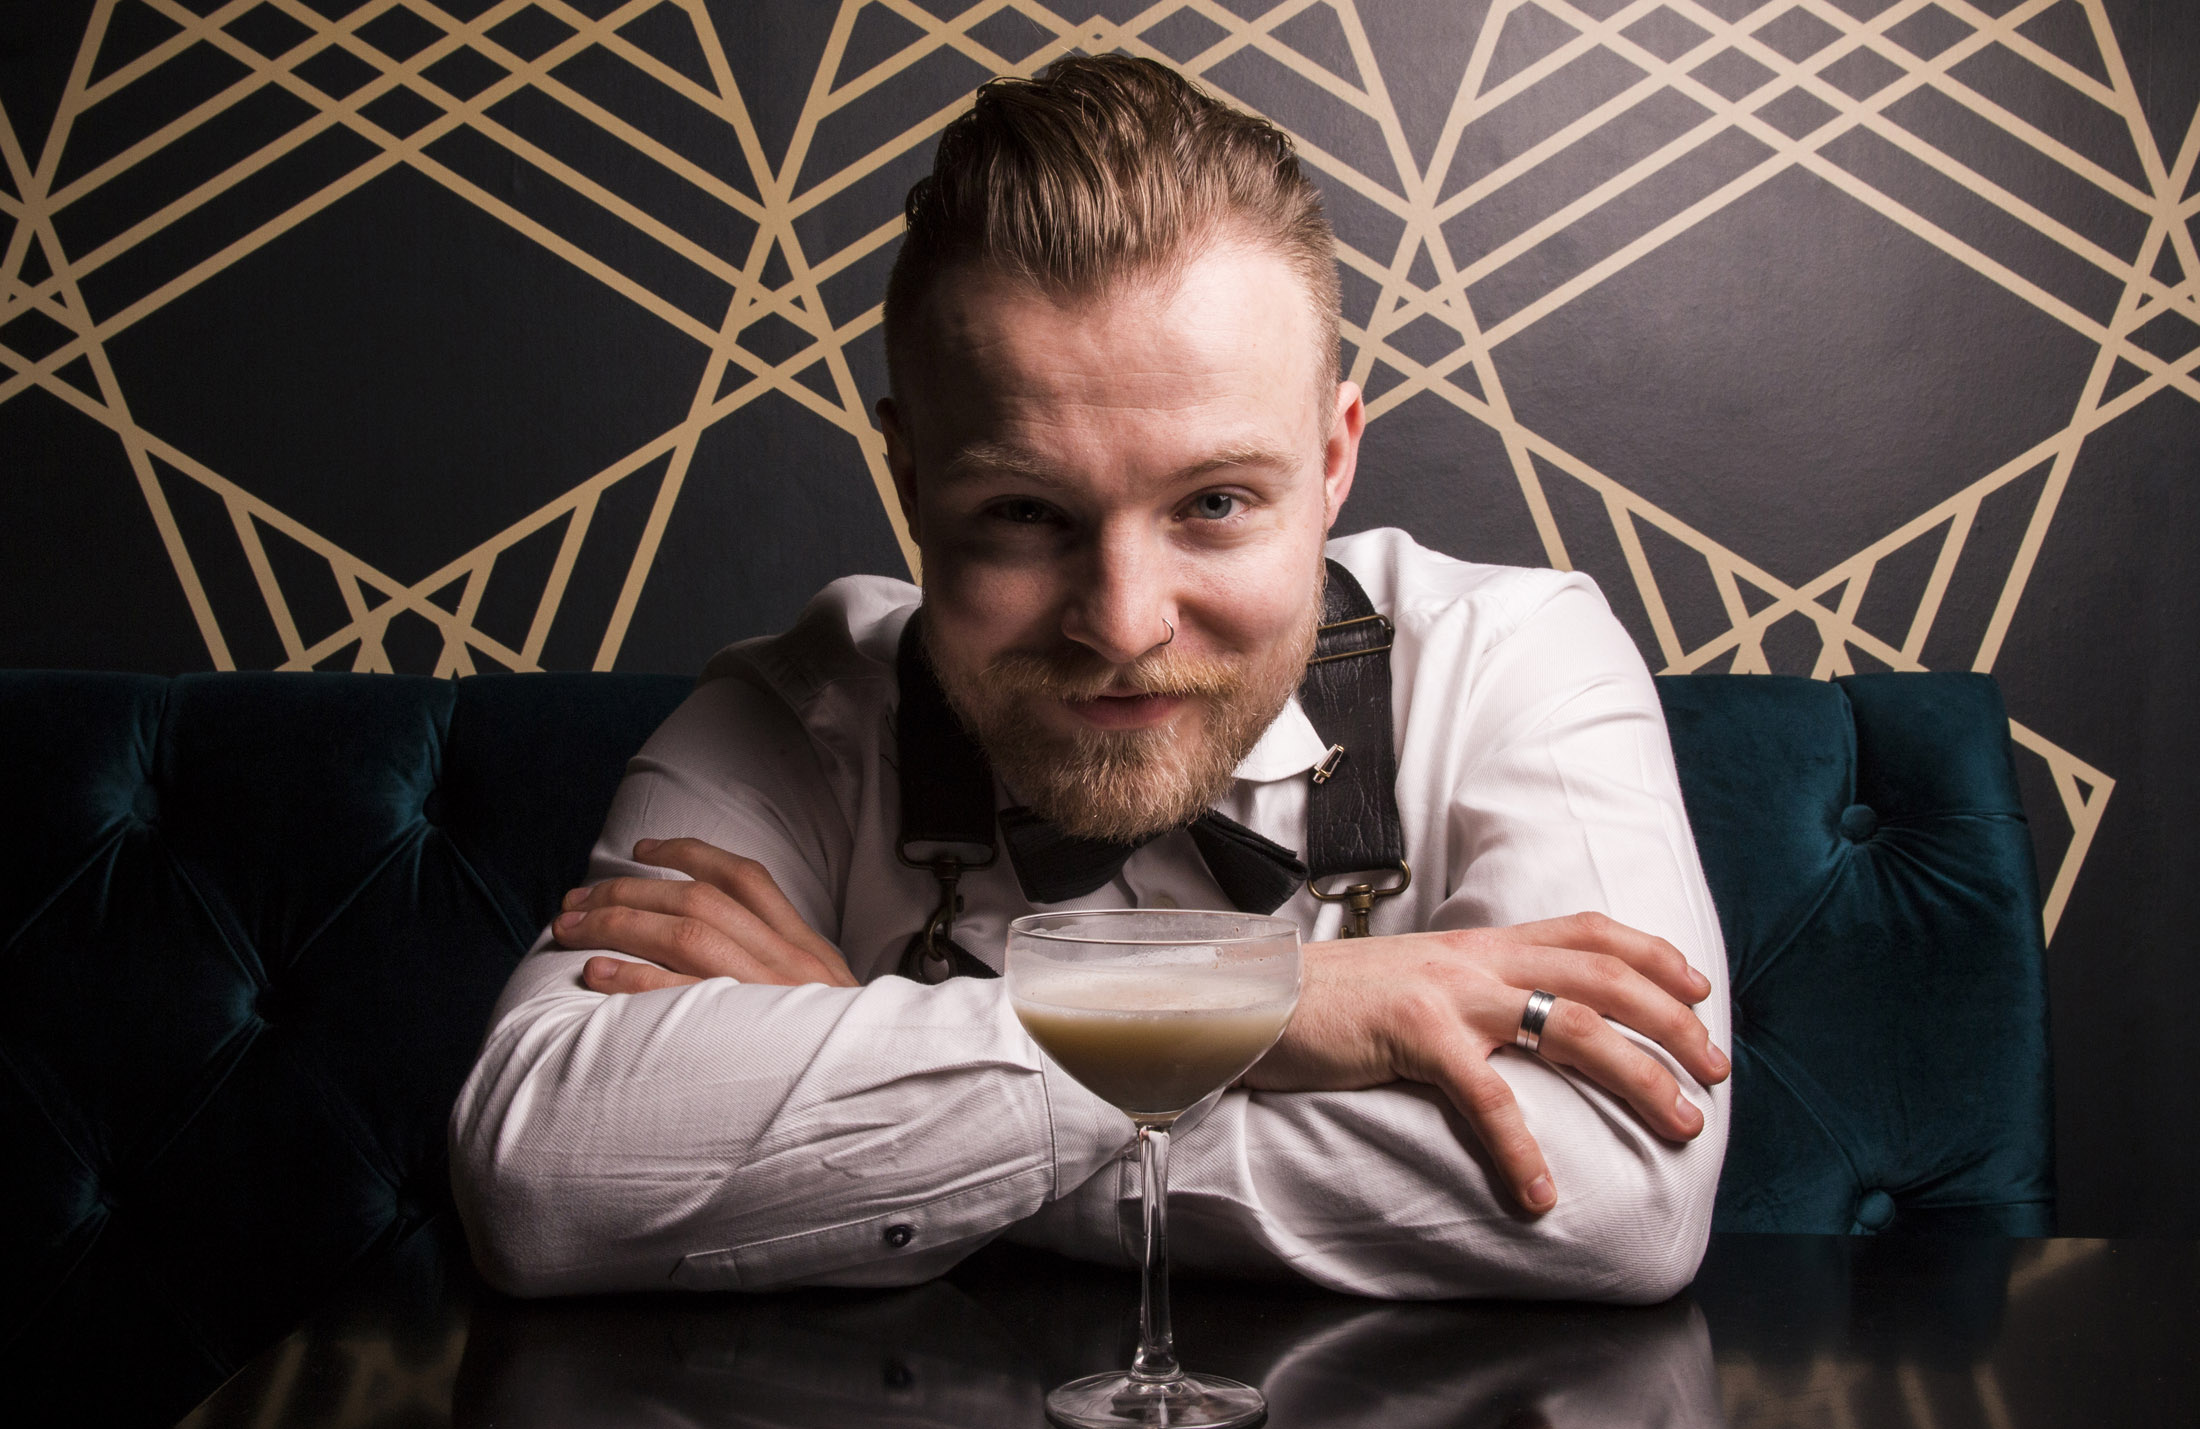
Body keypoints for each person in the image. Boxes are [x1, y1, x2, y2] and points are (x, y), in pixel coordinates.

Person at [450, 56, 1731, 1303]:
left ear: (1334, 459)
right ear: (910, 480)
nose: (1122, 625)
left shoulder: (1518, 658)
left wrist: (875, 1100)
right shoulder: (790, 714)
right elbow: (541, 1173)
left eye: (1214, 503)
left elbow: (1616, 1194)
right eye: (1023, 512)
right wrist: (1268, 1009)